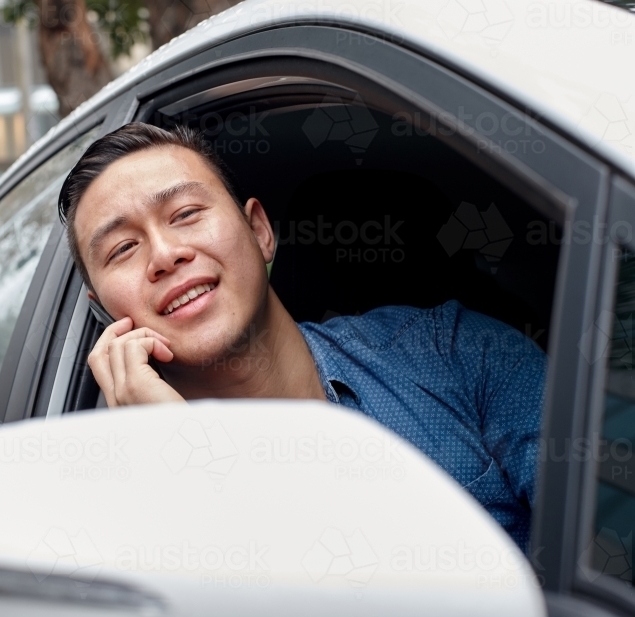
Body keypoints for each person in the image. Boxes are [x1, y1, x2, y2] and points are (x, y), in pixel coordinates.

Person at [57, 122, 545, 552]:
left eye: (185, 214)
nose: (165, 255)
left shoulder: (451, 351)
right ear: (103, 313)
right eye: (123, 248)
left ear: (260, 231)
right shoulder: (116, 513)